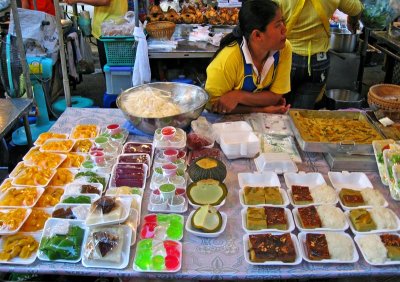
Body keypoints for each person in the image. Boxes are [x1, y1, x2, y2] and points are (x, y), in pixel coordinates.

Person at [205, 0, 291, 114]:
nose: (284, 29)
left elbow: (275, 96)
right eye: (277, 25)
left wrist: (238, 96)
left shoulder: (283, 49)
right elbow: (214, 106)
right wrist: (262, 110)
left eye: (283, 22)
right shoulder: (227, 61)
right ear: (257, 35)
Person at [277, 0, 363, 109]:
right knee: (302, 114)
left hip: (285, 58)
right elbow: (356, 9)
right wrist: (352, 22)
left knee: (278, 110)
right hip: (318, 64)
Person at [64, 0, 127, 72]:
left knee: (113, 71)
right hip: (109, 28)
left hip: (111, 30)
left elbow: (104, 1)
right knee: (109, 70)